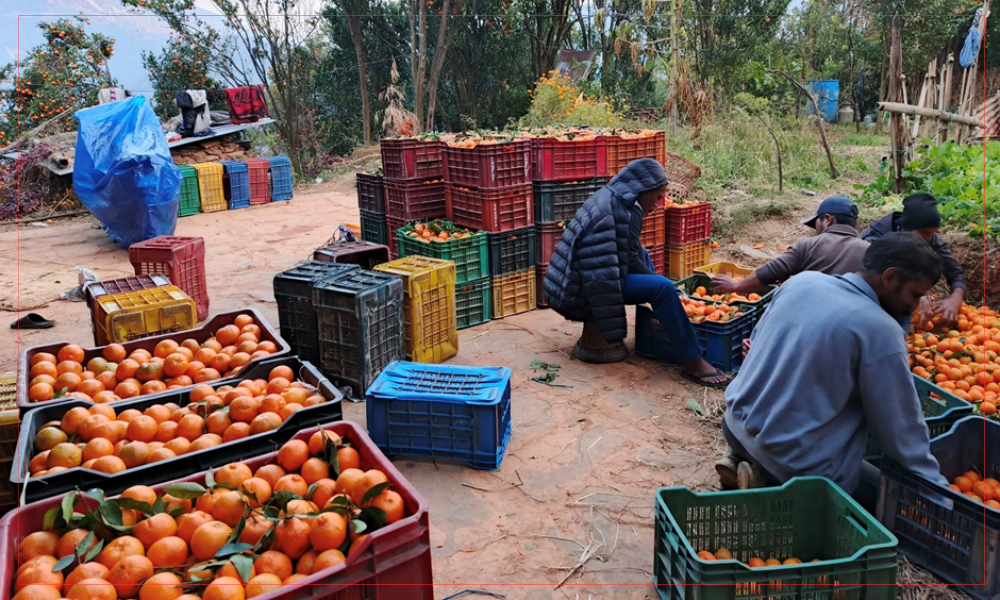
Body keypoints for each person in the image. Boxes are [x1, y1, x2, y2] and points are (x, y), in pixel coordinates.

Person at [717, 232, 946, 495]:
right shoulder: (880, 330)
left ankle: (746, 466)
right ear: (890, 277)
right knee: (886, 493)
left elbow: (755, 345)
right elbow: (901, 435)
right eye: (915, 295)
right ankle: (772, 481)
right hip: (791, 461)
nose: (916, 307)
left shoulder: (801, 282)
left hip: (735, 427)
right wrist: (939, 494)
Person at [543, 158, 731, 387]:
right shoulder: (625, 211)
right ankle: (693, 362)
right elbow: (624, 263)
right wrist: (665, 287)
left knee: (644, 257)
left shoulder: (614, 198)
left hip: (574, 280)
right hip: (577, 291)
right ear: (642, 190)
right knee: (662, 288)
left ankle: (660, 318)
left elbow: (628, 253)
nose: (658, 203)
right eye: (658, 197)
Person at [711, 195, 870, 295]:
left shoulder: (808, 245)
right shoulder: (870, 251)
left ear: (828, 219)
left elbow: (773, 270)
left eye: (816, 224)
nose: (816, 231)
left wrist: (737, 286)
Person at [860, 193, 966, 327]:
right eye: (925, 234)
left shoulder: (931, 239)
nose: (929, 239)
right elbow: (865, 280)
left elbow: (956, 274)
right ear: (905, 229)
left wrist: (955, 300)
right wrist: (917, 296)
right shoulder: (871, 241)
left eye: (933, 233)